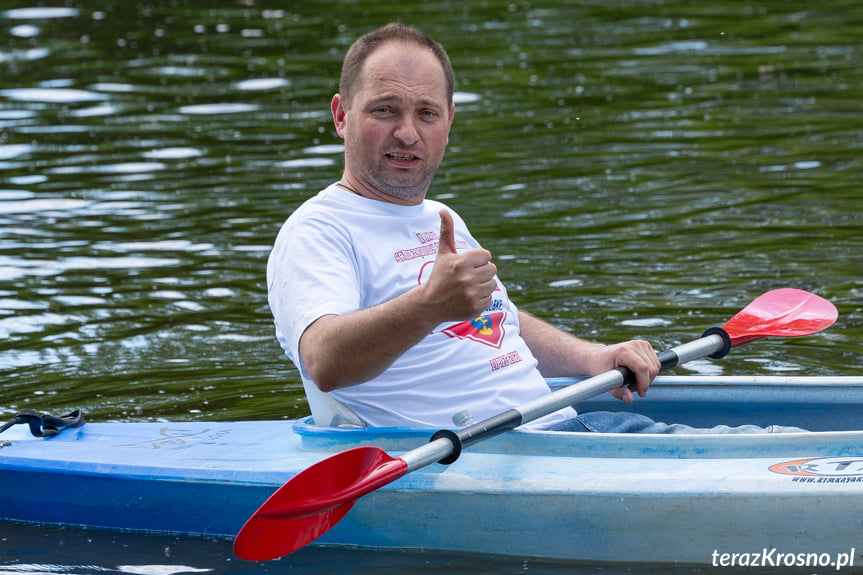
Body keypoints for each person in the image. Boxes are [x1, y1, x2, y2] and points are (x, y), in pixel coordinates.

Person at [266, 23, 801, 434]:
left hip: (559, 423)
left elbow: (497, 322)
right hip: (486, 454)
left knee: (786, 442)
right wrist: (430, 304)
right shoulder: (318, 231)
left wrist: (592, 356)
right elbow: (325, 360)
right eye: (385, 109)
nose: (407, 132)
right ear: (341, 115)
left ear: (449, 122)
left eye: (426, 113)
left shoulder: (439, 217)